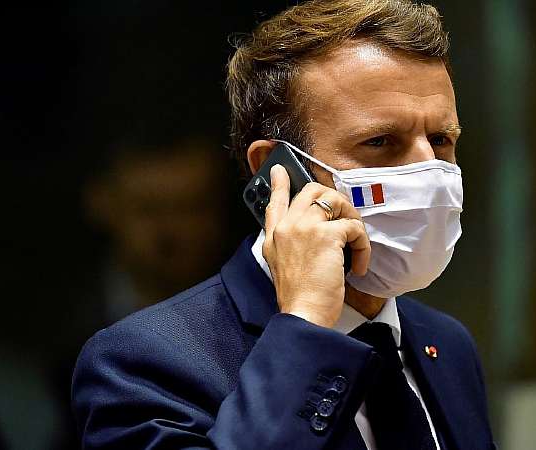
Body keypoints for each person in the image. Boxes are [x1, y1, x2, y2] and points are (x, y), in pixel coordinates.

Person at [72, 1, 496, 449]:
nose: (428, 171)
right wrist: (304, 327)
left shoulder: (446, 344)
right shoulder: (140, 363)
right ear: (277, 172)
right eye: (380, 141)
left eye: (441, 139)